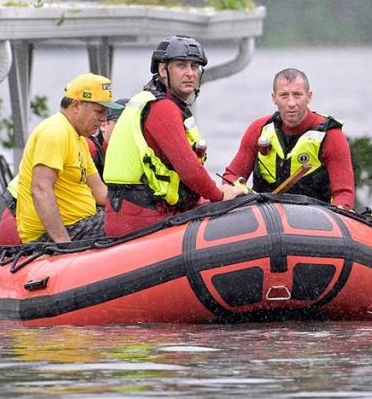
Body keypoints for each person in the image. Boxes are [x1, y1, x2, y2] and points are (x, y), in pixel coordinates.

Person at [103, 35, 242, 236]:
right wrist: (220, 195)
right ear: (163, 70)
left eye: (195, 66)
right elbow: (189, 170)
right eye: (181, 66)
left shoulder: (151, 101)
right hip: (143, 220)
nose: (190, 73)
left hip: (132, 213)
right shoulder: (162, 108)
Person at [224, 68, 354, 209]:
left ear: (309, 96)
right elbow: (232, 176)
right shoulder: (258, 129)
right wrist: (235, 191)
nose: (291, 103)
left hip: (315, 216)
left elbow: (344, 194)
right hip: (265, 214)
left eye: (297, 95)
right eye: (284, 95)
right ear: (274, 98)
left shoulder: (331, 135)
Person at [14, 72, 121, 243]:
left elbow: (100, 192)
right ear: (76, 105)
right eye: (99, 111)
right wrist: (63, 243)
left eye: (106, 113)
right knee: (128, 226)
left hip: (80, 224)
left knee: (130, 219)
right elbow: (40, 189)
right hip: (57, 233)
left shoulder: (79, 139)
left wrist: (136, 204)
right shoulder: (55, 131)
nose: (103, 119)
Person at [87, 98, 127, 174]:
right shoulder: (90, 150)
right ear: (103, 125)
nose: (128, 129)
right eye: (122, 124)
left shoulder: (141, 150)